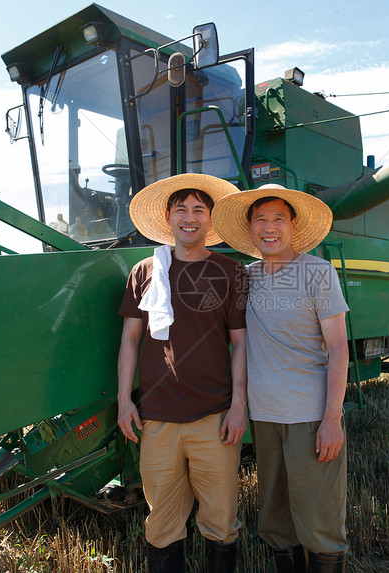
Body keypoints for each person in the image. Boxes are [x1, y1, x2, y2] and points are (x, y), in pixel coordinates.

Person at [212, 184, 350, 573]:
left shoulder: (318, 273)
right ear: (250, 228)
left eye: (277, 219)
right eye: (260, 220)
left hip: (309, 416)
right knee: (274, 520)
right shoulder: (245, 278)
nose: (269, 228)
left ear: (293, 225)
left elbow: (338, 348)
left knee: (319, 522)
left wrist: (332, 420)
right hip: (265, 418)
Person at [116, 173, 248, 573]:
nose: (189, 217)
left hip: (214, 417)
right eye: (181, 209)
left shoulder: (231, 272)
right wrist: (124, 399)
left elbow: (241, 343)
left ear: (210, 220)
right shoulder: (144, 272)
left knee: (221, 522)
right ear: (168, 218)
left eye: (198, 210)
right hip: (158, 418)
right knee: (161, 524)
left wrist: (238, 404)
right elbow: (130, 341)